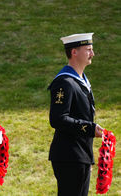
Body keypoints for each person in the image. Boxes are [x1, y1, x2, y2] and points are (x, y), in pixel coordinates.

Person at [48, 33, 103, 196]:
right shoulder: (64, 82)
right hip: (69, 156)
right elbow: (58, 119)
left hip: (80, 155)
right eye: (88, 49)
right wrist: (90, 128)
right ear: (74, 52)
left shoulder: (81, 81)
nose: (92, 54)